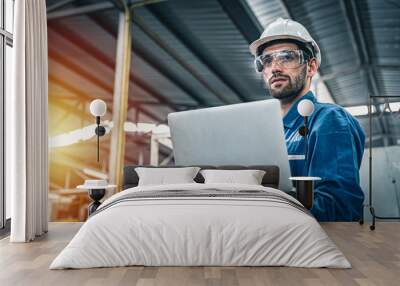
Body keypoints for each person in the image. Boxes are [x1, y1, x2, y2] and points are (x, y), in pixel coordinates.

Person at [249, 18, 366, 221]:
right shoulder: (265, 133)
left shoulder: (329, 120)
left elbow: (339, 207)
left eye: (287, 57)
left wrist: (266, 208)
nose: (275, 67)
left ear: (311, 67)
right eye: (267, 60)